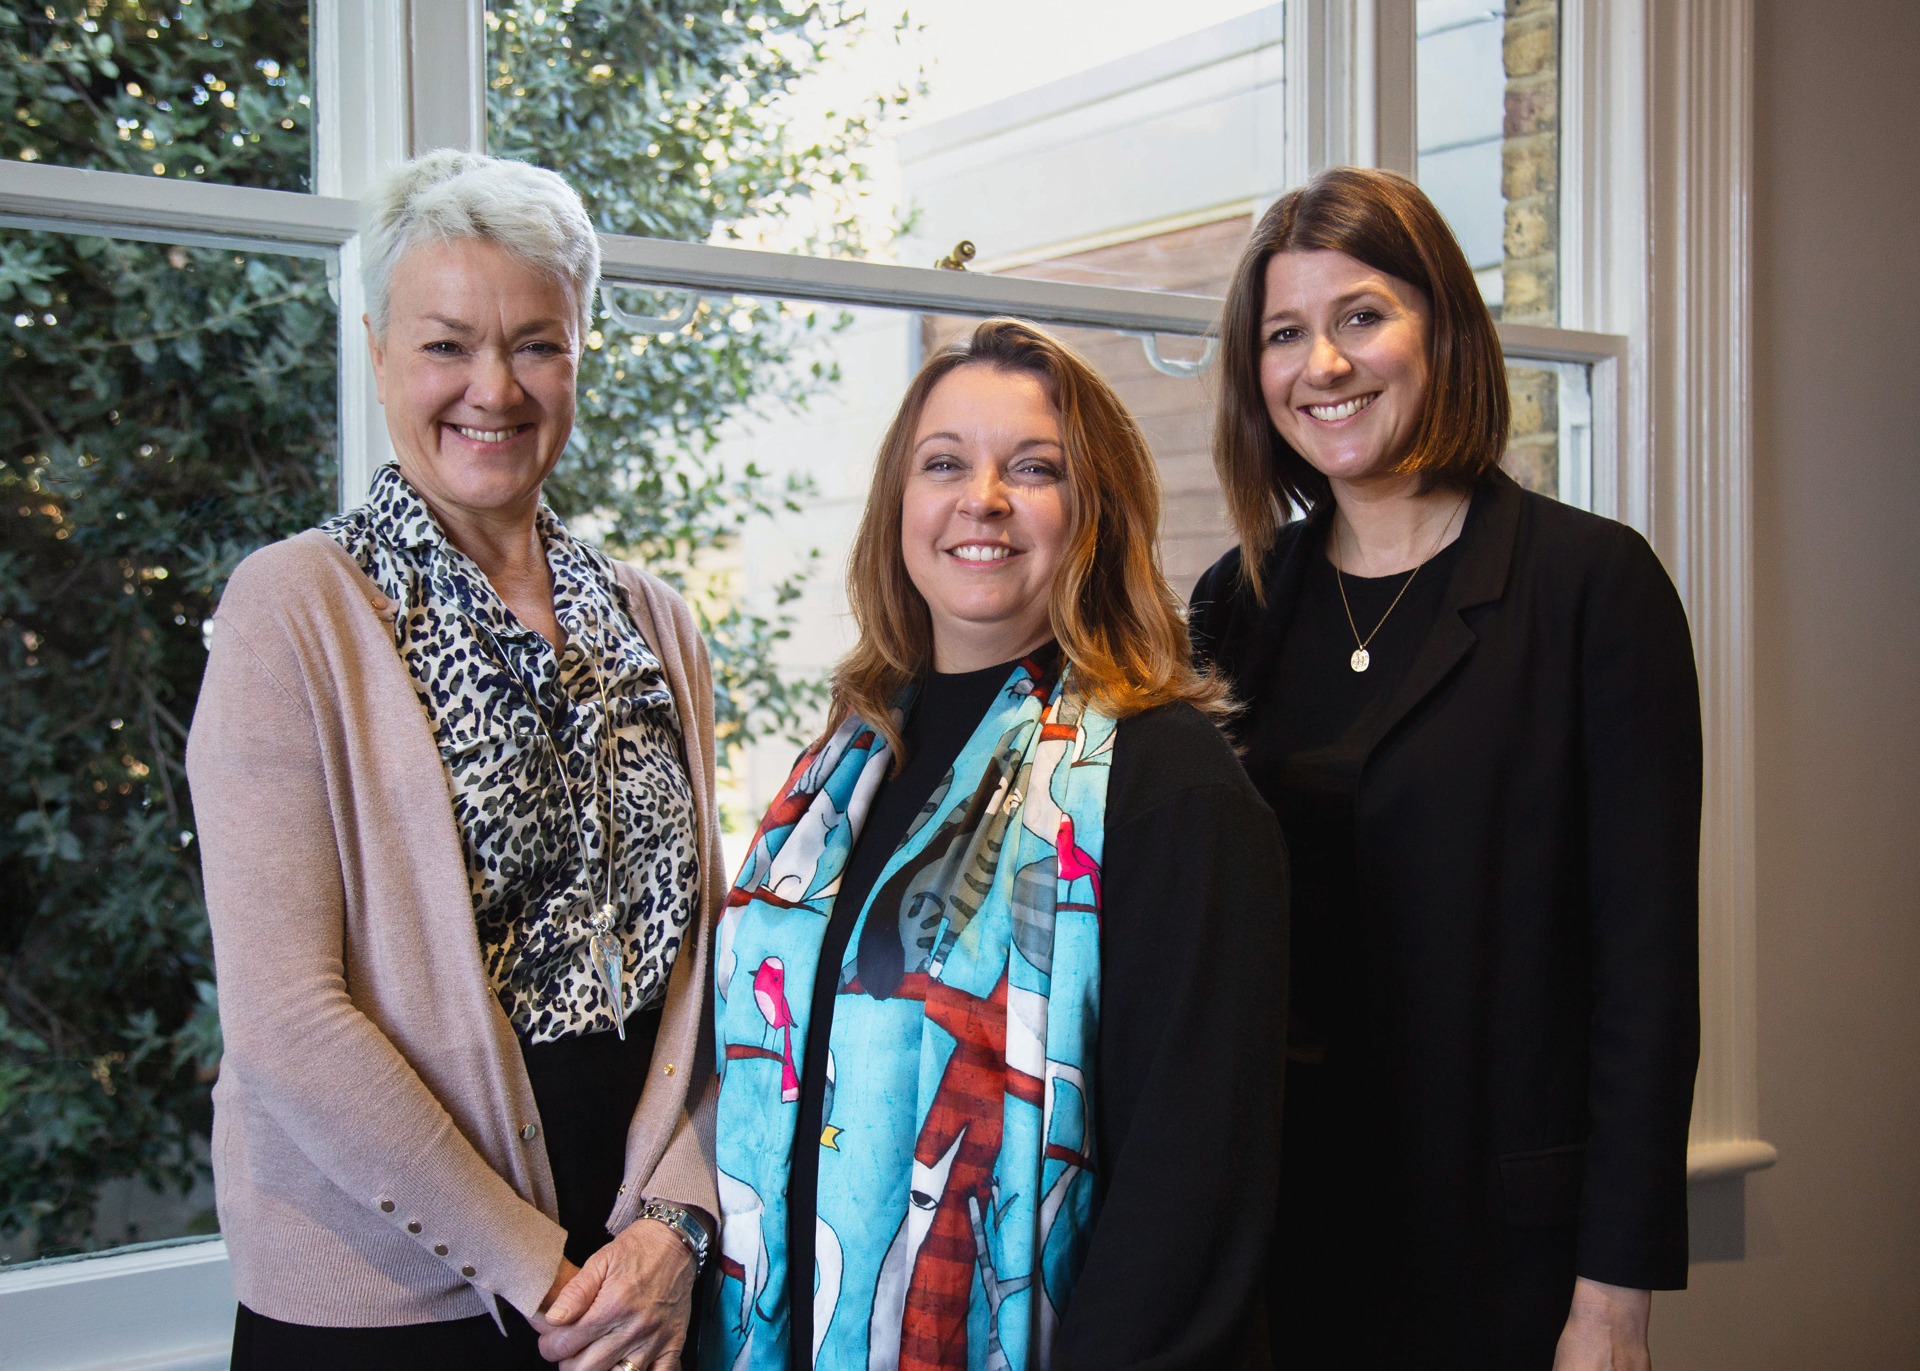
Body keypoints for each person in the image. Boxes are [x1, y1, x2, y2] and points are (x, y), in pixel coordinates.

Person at [187, 150, 723, 1371]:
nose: (495, 387)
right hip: (394, 1308)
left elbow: (710, 971)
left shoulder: (656, 623)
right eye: (446, 345)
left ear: (579, 357)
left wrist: (674, 1226)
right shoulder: (294, 610)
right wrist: (549, 1278)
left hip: (642, 1288)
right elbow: (287, 1022)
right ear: (379, 353)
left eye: (537, 344)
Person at [1188, 166, 1701, 1371]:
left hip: (1507, 1260)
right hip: (1280, 1245)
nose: (1323, 364)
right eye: (1284, 334)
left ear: (1444, 330)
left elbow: (1647, 977)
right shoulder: (1236, 605)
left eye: (1362, 316)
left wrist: (1613, 1304)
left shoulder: (1593, 589)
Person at [703, 318, 1287, 1371]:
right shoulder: (843, 765)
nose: (983, 498)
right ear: (898, 508)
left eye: (1034, 468)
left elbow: (1186, 1212)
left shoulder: (1168, 784)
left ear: (1095, 512)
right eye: (944, 464)